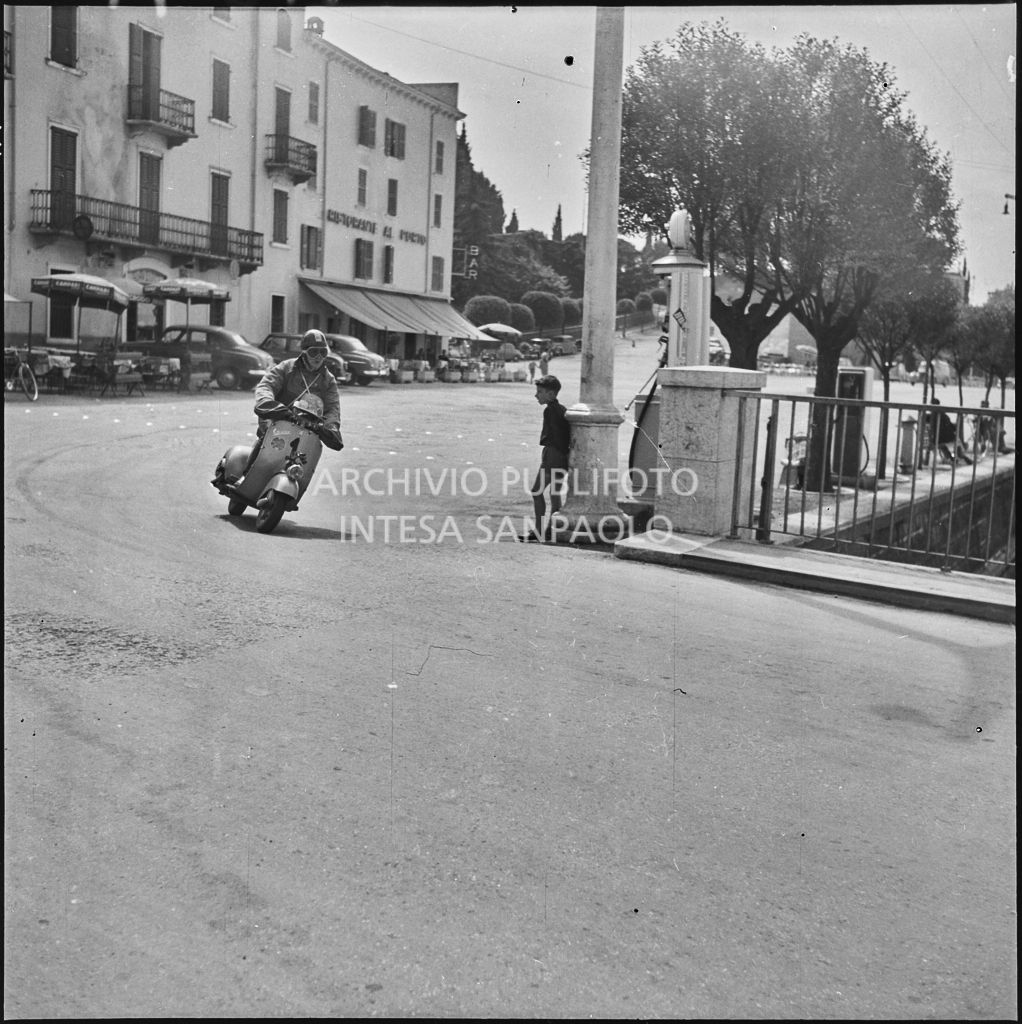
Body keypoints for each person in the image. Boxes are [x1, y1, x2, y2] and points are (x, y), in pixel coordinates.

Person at [229, 329, 343, 486]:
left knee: (306, 452)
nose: (318, 357)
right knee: (266, 437)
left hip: (309, 424)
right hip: (278, 415)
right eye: (313, 352)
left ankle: (296, 481)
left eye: (323, 352)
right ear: (304, 352)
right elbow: (267, 384)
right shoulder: (286, 367)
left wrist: (330, 427)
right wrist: (268, 402)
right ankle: (246, 475)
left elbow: (333, 407)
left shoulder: (328, 380)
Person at [524, 374, 570, 542]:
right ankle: (551, 528)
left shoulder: (550, 411)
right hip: (563, 457)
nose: (537, 395)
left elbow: (555, 438)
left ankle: (538, 530)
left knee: (537, 492)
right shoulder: (562, 410)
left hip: (552, 455)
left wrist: (550, 457)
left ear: (551, 394)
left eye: (540, 391)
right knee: (555, 493)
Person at [930, 397, 971, 465]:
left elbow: (933, 429)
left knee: (942, 445)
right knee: (956, 441)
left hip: (941, 438)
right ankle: (960, 457)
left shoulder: (934, 415)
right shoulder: (943, 414)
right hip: (950, 437)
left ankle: (952, 458)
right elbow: (952, 427)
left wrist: (932, 439)